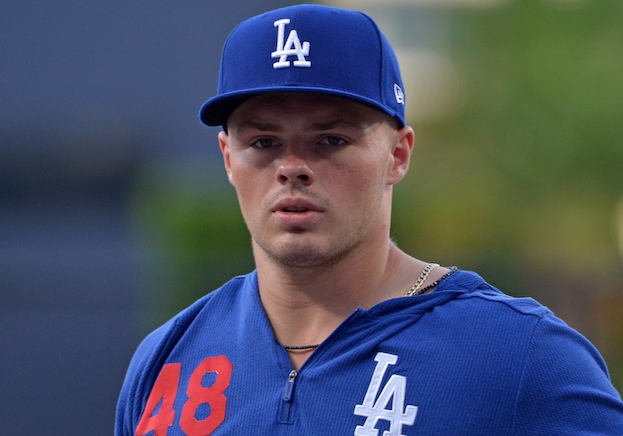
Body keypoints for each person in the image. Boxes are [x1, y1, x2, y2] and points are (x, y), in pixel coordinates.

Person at [116, 4, 623, 435]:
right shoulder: (168, 356)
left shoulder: (520, 355)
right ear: (228, 158)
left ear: (398, 155)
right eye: (263, 142)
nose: (292, 168)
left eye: (331, 140)